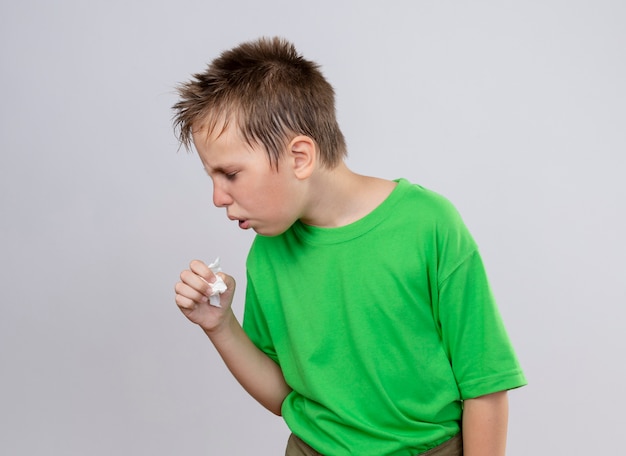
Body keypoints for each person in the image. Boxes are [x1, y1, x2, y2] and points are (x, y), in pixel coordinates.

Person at [172, 36, 526, 456]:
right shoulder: (267, 253)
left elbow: (485, 383)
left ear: (299, 157)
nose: (217, 197)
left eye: (229, 174)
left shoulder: (428, 225)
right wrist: (220, 325)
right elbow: (286, 395)